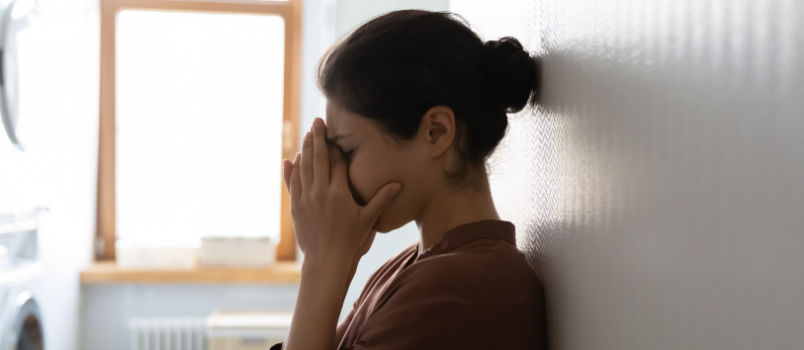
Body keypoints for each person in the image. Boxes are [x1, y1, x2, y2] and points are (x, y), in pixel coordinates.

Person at [273, 9, 545, 350]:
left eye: (347, 152)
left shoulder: (459, 289)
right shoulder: (413, 266)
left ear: (436, 132)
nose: (336, 174)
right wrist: (337, 261)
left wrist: (322, 263)